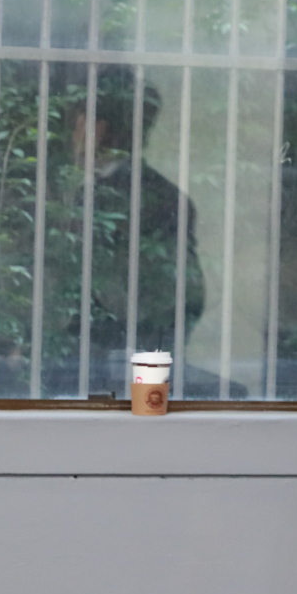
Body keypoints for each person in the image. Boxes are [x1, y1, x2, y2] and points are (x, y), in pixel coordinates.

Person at [53, 69, 205, 373]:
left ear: (95, 128)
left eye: (77, 123)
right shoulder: (169, 195)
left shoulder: (101, 198)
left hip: (107, 358)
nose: (73, 137)